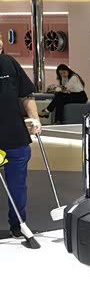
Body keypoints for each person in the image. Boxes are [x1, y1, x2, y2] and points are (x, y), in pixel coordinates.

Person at [0, 33, 42, 239]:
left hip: (14, 136)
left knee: (17, 186)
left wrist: (35, 119)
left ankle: (18, 224)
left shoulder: (9, 63)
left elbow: (26, 95)